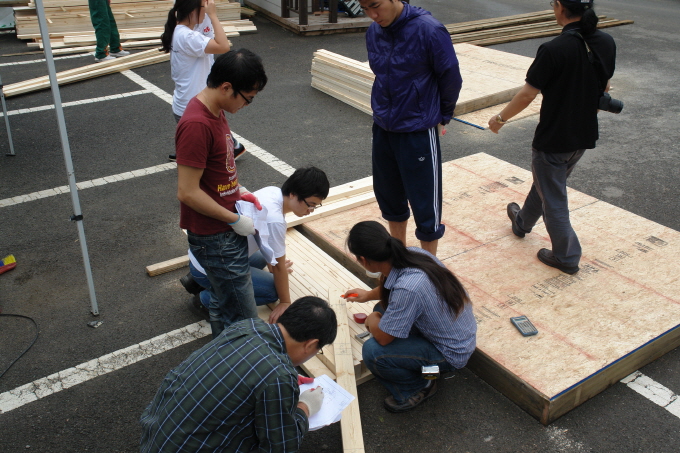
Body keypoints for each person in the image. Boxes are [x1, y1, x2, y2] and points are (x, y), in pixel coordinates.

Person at [488, 0, 616, 275]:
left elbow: (527, 94)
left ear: (559, 7)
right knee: (548, 183)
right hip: (583, 135)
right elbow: (605, 86)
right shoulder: (605, 41)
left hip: (554, 137)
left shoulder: (554, 49)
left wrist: (499, 119)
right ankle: (522, 223)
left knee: (554, 197)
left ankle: (566, 256)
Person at [140, 296, 338, 453]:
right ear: (311, 344)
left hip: (156, 438)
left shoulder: (247, 327)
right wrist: (305, 407)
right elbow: (281, 446)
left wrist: (282, 380)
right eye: (318, 350)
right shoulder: (278, 377)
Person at [176, 49, 267, 338]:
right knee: (243, 318)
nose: (247, 104)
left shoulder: (216, 111)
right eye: (247, 98)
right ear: (226, 87)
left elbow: (216, 170)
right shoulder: (197, 124)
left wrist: (236, 192)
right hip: (215, 236)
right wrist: (233, 219)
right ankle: (236, 359)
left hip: (223, 227)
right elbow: (188, 192)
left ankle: (222, 348)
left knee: (223, 301)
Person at [360, 0, 462, 256]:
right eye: (364, 8)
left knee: (425, 204)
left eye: (375, 5)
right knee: (390, 198)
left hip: (417, 130)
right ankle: (399, 259)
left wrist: (443, 114)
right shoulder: (374, 31)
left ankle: (430, 269)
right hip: (383, 127)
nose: (372, 14)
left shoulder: (429, 30)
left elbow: (451, 75)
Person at [343, 221, 476, 412]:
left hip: (450, 353)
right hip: (458, 334)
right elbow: (391, 288)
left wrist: (372, 320)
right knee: (382, 306)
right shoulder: (413, 254)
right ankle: (423, 367)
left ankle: (419, 385)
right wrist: (367, 295)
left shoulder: (408, 288)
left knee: (374, 352)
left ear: (363, 260)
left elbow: (384, 338)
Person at [181, 167, 331, 324]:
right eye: (310, 204)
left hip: (203, 258)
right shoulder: (275, 220)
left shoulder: (273, 192)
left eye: (316, 206)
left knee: (260, 258)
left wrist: (276, 268)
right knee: (272, 291)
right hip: (210, 269)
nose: (311, 210)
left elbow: (270, 250)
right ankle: (205, 300)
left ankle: (196, 281)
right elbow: (278, 267)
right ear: (293, 194)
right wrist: (285, 302)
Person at [162, 0, 247, 162]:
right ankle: (227, 148)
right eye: (204, 8)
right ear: (193, 11)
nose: (207, 10)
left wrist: (206, 14)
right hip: (195, 106)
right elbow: (223, 46)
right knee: (204, 154)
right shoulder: (188, 37)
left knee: (204, 142)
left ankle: (197, 150)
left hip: (188, 103)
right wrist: (213, 15)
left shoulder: (181, 31)